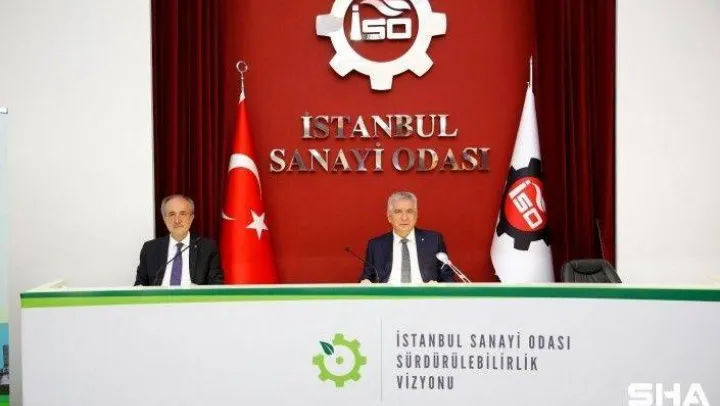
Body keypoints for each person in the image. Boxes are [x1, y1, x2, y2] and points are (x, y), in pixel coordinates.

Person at [359, 191, 454, 284]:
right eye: (398, 212)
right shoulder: (376, 245)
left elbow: (447, 276)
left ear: (416, 215)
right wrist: (365, 283)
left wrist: (437, 287)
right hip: (388, 293)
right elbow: (366, 278)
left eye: (409, 211)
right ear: (389, 217)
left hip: (424, 293)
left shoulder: (433, 240)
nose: (404, 218)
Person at [134, 194, 223, 286]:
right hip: (159, 295)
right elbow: (140, 285)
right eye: (172, 214)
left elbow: (216, 284)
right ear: (164, 219)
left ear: (191, 218)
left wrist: (198, 291)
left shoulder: (207, 248)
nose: (177, 220)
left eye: (183, 214)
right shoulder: (150, 248)